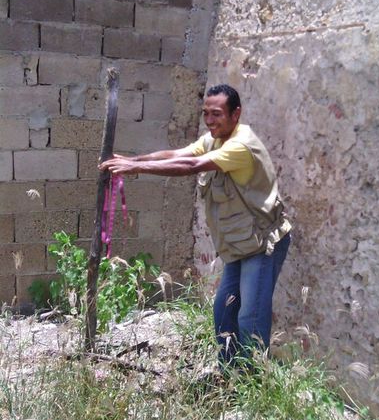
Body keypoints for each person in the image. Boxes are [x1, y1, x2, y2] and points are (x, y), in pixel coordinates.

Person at [100, 84, 291, 366]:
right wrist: (132, 160)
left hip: (262, 243)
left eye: (217, 114)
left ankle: (255, 382)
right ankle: (230, 373)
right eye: (206, 114)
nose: (210, 121)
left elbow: (192, 167)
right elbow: (181, 155)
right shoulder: (215, 139)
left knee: (250, 316)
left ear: (235, 113)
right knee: (224, 312)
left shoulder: (240, 145)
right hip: (240, 244)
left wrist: (136, 168)